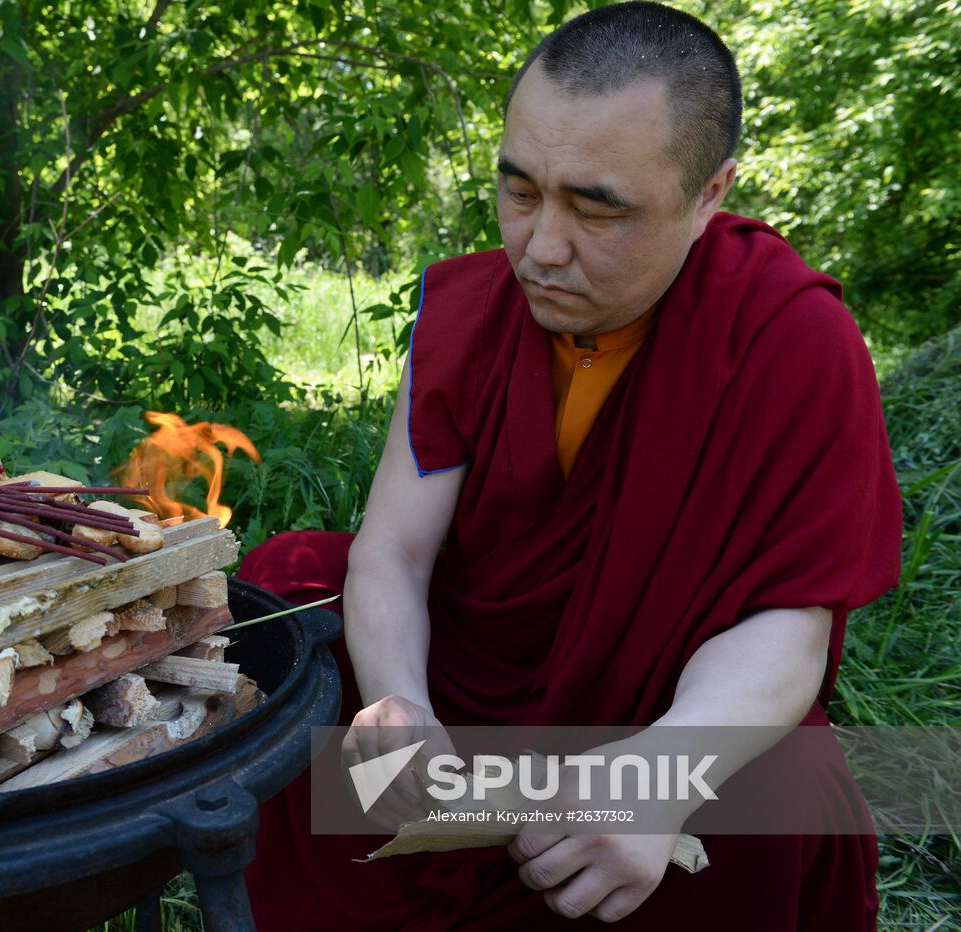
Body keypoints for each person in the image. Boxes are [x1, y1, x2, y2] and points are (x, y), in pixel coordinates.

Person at [237, 2, 903, 929]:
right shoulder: (471, 311)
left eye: (598, 209)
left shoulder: (791, 339)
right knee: (284, 599)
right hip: (468, 682)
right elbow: (394, 553)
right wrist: (401, 710)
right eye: (519, 192)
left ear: (711, 193)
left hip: (656, 705)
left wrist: (656, 777)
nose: (541, 248)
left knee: (785, 776)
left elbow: (789, 625)